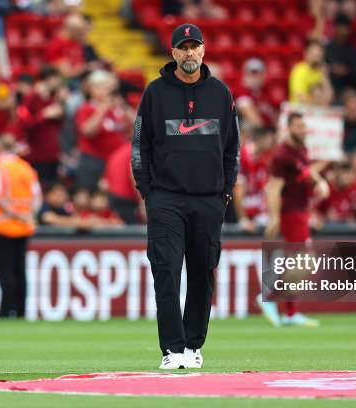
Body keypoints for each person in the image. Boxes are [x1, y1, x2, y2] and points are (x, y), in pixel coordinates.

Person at [131, 23, 239, 369]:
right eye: (183, 47)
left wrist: (225, 192)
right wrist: (147, 191)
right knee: (166, 271)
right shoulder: (154, 93)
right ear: (173, 53)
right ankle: (172, 349)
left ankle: (193, 345)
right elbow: (139, 146)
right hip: (165, 198)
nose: (190, 52)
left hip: (209, 199)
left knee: (202, 273)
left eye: (195, 46)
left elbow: (232, 149)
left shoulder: (221, 94)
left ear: (203, 50)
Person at [259, 112, 330, 327]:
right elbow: (274, 188)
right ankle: (270, 299)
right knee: (305, 261)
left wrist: (320, 182)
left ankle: (290, 313)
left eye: (303, 126)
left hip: (300, 210)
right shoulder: (282, 155)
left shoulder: (300, 150)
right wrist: (274, 217)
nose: (302, 130)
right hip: (290, 212)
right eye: (297, 126)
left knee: (297, 262)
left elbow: (305, 172)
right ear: (288, 128)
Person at [0, 135, 42, 318]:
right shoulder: (26, 168)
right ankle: (21, 311)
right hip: (23, 228)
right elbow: (37, 197)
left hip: (1, 226)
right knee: (20, 270)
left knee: (5, 272)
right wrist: (28, 215)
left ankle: (6, 311)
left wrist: (15, 214)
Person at [74, 70, 129, 191]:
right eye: (106, 87)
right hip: (94, 162)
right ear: (94, 89)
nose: (110, 91)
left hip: (114, 161)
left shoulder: (116, 108)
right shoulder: (86, 108)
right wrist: (103, 107)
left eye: (112, 87)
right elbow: (88, 132)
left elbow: (134, 128)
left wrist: (124, 107)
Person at [15, 66, 66, 184]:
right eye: (57, 79)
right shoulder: (31, 98)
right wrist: (44, 115)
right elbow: (23, 124)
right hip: (37, 155)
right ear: (48, 79)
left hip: (52, 154)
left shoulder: (54, 98)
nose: (59, 83)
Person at [289, 41, 332, 105]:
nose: (316, 58)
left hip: (317, 111)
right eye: (313, 54)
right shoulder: (299, 70)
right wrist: (320, 102)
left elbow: (329, 98)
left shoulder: (321, 72)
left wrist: (325, 76)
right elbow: (300, 98)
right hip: (300, 111)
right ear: (306, 54)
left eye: (318, 55)